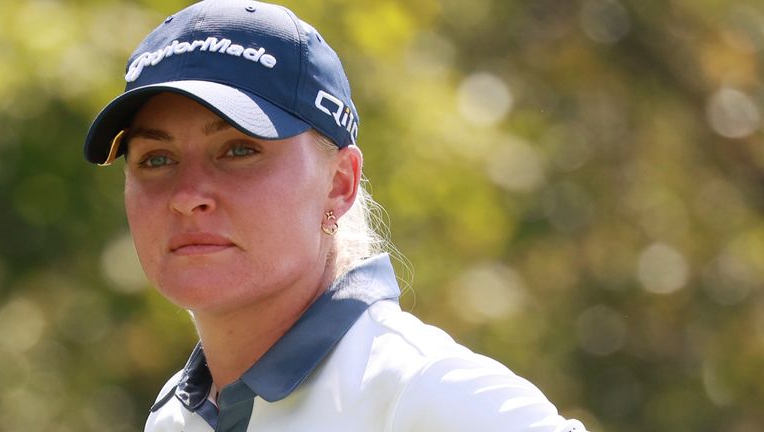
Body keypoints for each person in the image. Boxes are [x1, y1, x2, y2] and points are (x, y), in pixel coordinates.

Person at [84, 1, 589, 431]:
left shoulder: (438, 397)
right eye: (156, 159)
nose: (188, 195)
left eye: (238, 150)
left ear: (339, 183)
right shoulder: (176, 416)